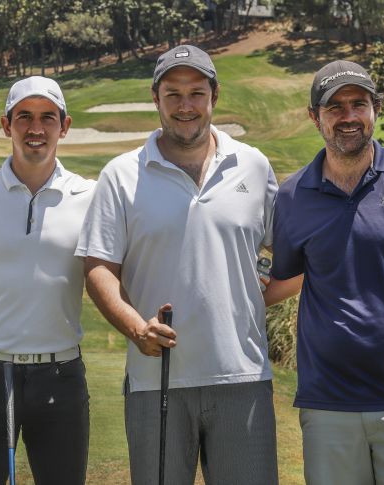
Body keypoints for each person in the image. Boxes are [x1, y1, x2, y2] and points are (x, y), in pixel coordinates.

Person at [76, 45, 279, 484]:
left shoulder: (254, 166)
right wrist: (135, 328)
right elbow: (98, 267)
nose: (185, 106)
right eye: (173, 94)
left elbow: (284, 255)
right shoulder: (121, 174)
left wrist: (253, 293)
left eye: (196, 93)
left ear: (214, 96)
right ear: (156, 98)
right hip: (155, 379)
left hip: (242, 374)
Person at [264, 59, 384, 485]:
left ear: (376, 108)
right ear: (314, 116)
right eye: (334, 107)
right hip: (326, 401)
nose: (348, 116)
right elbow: (282, 279)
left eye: (359, 103)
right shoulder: (293, 194)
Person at [0, 76, 95, 484]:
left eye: (48, 117)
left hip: (60, 374)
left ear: (64, 126)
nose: (36, 128)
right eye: (24, 117)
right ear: (5, 124)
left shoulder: (91, 197)